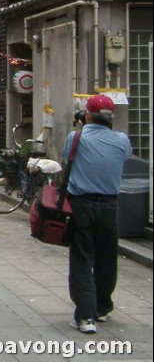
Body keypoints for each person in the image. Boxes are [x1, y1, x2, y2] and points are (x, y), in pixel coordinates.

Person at [64, 94, 131, 334]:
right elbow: (122, 158)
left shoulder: (76, 137)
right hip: (111, 206)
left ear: (87, 115)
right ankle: (102, 307)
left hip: (82, 205)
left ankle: (85, 316)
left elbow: (66, 160)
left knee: (82, 258)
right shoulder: (122, 140)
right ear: (111, 118)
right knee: (106, 258)